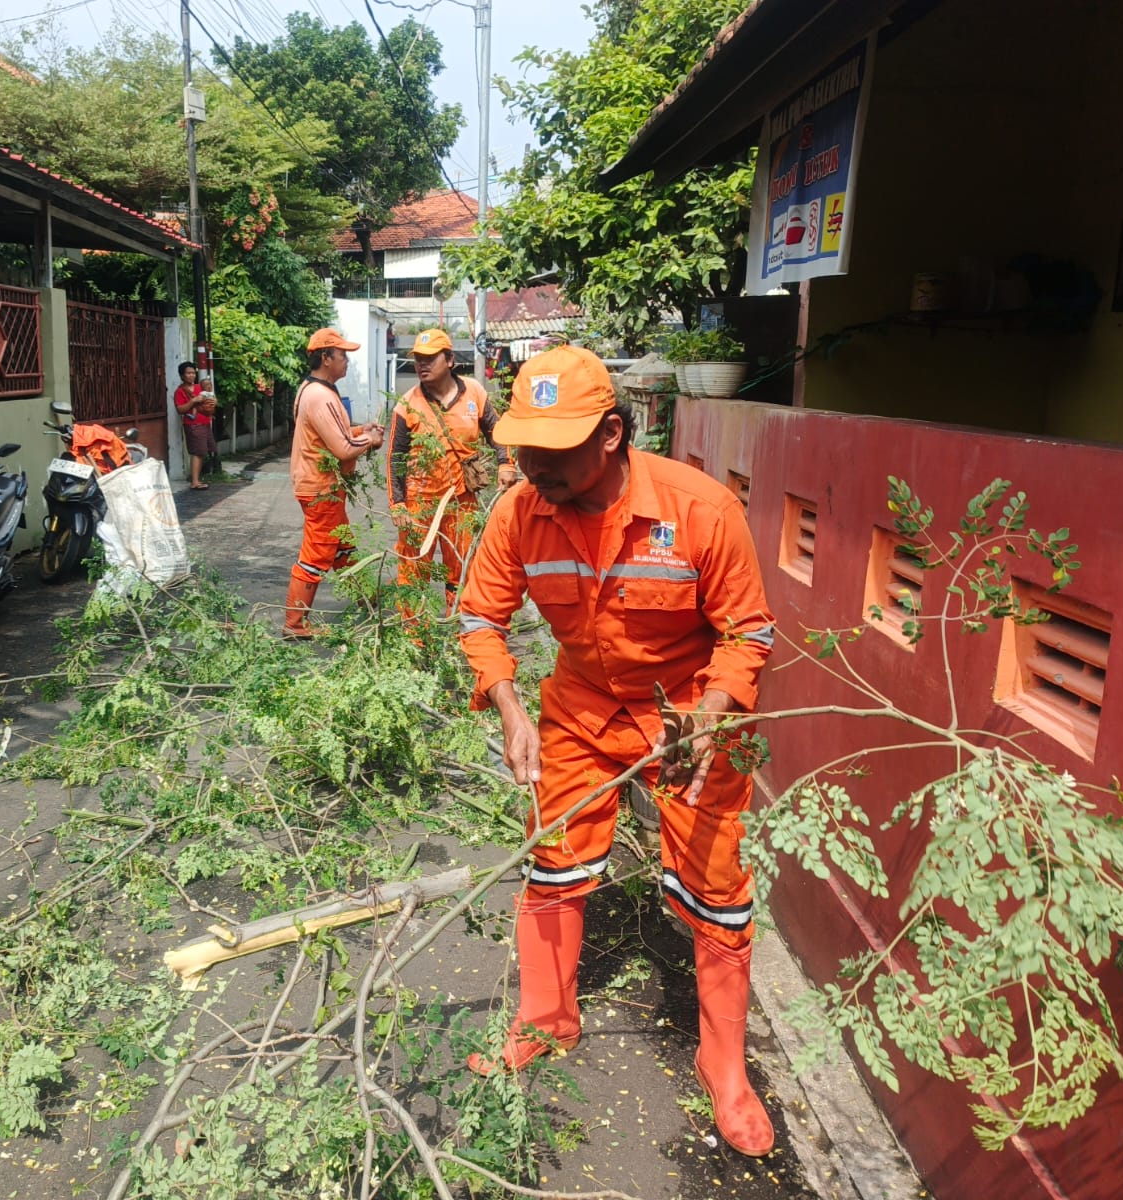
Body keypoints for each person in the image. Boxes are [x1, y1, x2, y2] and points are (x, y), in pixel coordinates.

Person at [456, 345, 778, 1158]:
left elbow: (750, 632)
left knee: (716, 884)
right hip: (579, 712)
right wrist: (508, 705)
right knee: (553, 861)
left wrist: (707, 718)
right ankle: (546, 1018)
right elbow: (480, 618)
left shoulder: (701, 510)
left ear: (610, 434)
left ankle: (724, 1064)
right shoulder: (519, 510)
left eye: (554, 448)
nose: (533, 465)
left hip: (690, 715)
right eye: (524, 445)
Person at [385, 328, 516, 618]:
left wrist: (506, 463)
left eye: (430, 358)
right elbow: (395, 457)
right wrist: (398, 504)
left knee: (462, 570)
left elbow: (496, 430)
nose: (422, 364)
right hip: (420, 505)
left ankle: (460, 632)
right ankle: (414, 639)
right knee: (413, 572)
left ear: (450, 359)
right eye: (419, 358)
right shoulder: (407, 404)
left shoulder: (475, 393)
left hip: (462, 500)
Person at [285, 328, 385, 637]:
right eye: (343, 355)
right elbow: (341, 449)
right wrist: (369, 439)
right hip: (321, 488)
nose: (347, 362)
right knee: (316, 556)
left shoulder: (315, 391)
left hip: (322, 486)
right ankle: (295, 624)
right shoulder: (320, 396)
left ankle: (367, 602)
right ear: (325, 358)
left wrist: (359, 431)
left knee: (342, 548)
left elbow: (335, 437)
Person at [173, 361, 216, 490]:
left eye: (193, 373)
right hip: (192, 424)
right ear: (182, 375)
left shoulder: (199, 387)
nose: (191, 375)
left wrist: (213, 402)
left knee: (202, 452)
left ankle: (196, 479)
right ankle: (195, 481)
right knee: (197, 452)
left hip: (205, 423)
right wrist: (193, 401)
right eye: (188, 373)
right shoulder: (179, 391)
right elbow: (180, 409)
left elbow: (211, 397)